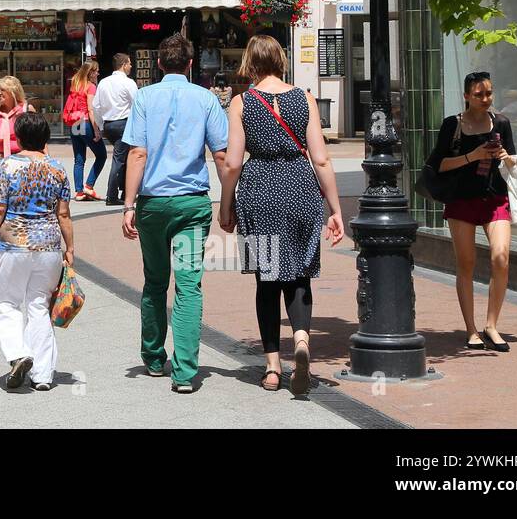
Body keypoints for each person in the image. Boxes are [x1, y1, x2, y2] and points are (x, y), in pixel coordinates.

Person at [218, 36, 345, 395]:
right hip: (300, 187)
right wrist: (334, 209)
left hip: (260, 189)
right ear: (280, 59)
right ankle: (302, 339)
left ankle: (273, 367)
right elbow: (320, 158)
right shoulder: (304, 98)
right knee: (299, 274)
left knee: (268, 280)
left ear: (251, 64)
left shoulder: (242, 103)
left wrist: (226, 207)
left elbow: (232, 163)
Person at [122, 33, 228, 394]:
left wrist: (128, 204)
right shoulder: (206, 99)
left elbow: (137, 153)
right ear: (190, 63)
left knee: (154, 281)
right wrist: (227, 201)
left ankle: (153, 357)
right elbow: (222, 156)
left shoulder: (144, 98)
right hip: (191, 205)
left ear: (160, 64)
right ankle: (184, 372)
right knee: (188, 285)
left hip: (153, 205)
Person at [0, 111, 75, 391]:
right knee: (39, 306)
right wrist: (70, 247)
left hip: (12, 245)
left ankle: (19, 353)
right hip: (48, 246)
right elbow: (65, 215)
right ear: (45, 138)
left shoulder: (8, 166)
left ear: (18, 138)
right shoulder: (58, 168)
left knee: (5, 302)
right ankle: (43, 375)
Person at [425, 71, 517, 352]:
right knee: (466, 263)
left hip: (495, 198)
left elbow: (513, 161)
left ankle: (491, 325)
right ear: (466, 96)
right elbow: (438, 165)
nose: (485, 99)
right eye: (479, 94)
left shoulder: (501, 122)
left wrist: (506, 158)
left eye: (488, 93)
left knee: (501, 257)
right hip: (461, 201)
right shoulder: (452, 124)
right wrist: (472, 156)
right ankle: (471, 329)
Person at [92, 53, 138, 208]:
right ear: (124, 64)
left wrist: (100, 124)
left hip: (109, 125)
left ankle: (125, 191)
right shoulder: (128, 83)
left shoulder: (104, 82)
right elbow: (137, 104)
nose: (131, 66)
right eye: (130, 63)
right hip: (123, 124)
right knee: (120, 160)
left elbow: (96, 106)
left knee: (123, 157)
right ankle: (111, 195)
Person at [65, 61, 107, 201]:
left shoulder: (76, 85)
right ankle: (89, 186)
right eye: (96, 71)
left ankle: (79, 192)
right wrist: (96, 130)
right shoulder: (91, 87)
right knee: (101, 155)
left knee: (79, 159)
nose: (98, 73)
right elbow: (90, 109)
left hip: (74, 123)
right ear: (91, 73)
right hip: (85, 123)